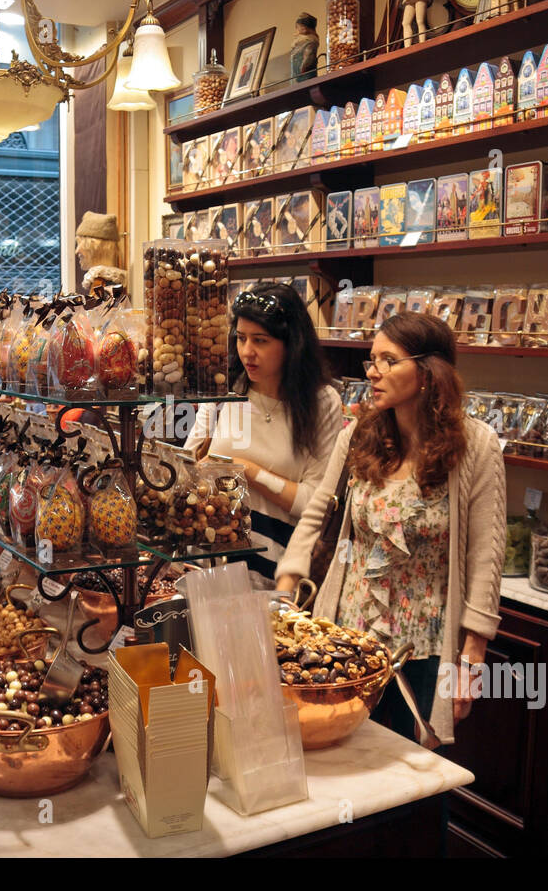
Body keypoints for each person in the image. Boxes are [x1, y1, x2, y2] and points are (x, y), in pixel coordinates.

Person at [276, 312, 505, 748]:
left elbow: (486, 556)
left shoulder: (476, 446)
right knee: (344, 755)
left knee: (415, 770)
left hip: (426, 647)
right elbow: (318, 515)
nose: (373, 372)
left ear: (428, 372)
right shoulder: (357, 436)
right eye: (371, 360)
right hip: (348, 643)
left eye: (388, 360)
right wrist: (286, 590)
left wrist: (473, 654)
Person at [185, 281, 343, 581]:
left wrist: (246, 470)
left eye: (261, 340)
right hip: (211, 561)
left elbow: (316, 503)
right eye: (241, 338)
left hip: (281, 569)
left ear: (291, 344)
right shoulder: (224, 391)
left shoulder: (322, 403)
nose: (247, 352)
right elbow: (190, 468)